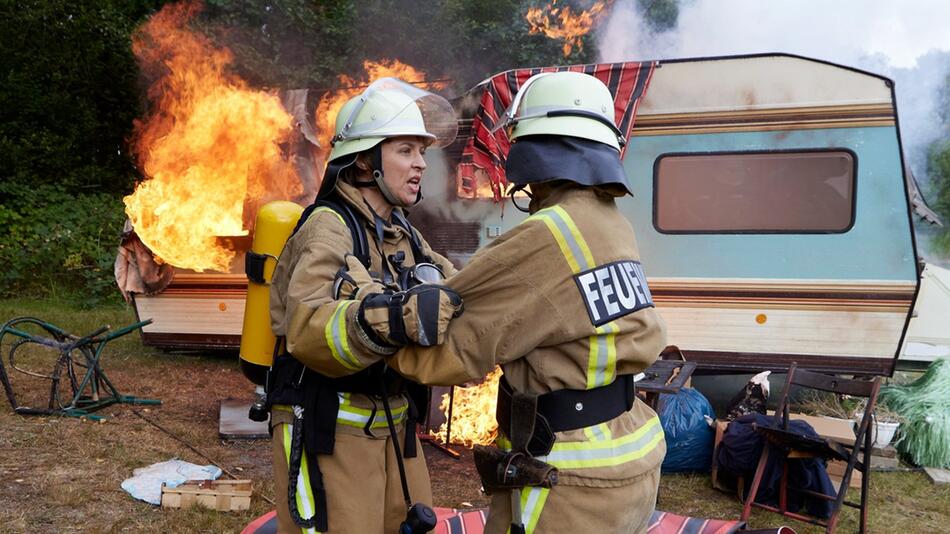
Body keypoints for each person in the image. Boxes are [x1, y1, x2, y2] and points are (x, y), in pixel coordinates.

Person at [379, 71, 669, 533]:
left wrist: (365, 331)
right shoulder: (612, 223)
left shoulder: (547, 234)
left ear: (533, 148)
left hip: (568, 477)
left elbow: (453, 353)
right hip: (627, 454)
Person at [267, 77, 463, 533]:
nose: (420, 165)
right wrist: (393, 319)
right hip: (327, 425)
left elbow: (457, 285)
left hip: (394, 422)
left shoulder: (403, 233)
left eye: (422, 152)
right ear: (361, 162)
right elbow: (308, 327)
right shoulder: (329, 228)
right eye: (405, 151)